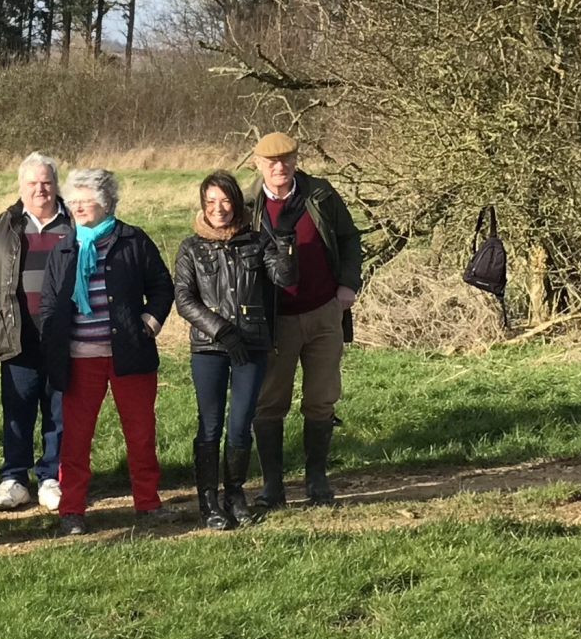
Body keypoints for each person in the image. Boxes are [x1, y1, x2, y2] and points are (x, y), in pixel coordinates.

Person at [39, 169, 176, 536]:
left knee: (141, 434)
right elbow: (49, 303)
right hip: (78, 360)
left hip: (130, 355)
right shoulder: (64, 247)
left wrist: (149, 322)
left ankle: (147, 503)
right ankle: (72, 510)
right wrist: (52, 342)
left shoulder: (133, 239)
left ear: (106, 203)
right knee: (75, 439)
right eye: (74, 200)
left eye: (87, 200)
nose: (78, 206)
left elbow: (162, 287)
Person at [174, 171, 297, 529]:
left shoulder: (256, 242)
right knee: (210, 424)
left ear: (237, 203)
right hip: (209, 347)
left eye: (226, 200)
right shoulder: (191, 248)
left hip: (252, 344)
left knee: (241, 423)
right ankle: (208, 500)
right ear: (202, 205)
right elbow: (184, 299)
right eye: (211, 202)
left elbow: (285, 278)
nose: (219, 208)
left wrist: (284, 237)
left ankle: (235, 494)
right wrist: (221, 330)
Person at [247, 132, 362, 509]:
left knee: (321, 398)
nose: (280, 167)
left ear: (297, 160)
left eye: (287, 159)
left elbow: (349, 239)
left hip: (323, 312)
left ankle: (317, 480)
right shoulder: (248, 204)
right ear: (258, 164)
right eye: (271, 161)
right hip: (275, 320)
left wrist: (348, 285)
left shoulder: (320, 194)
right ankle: (272, 486)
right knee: (269, 402)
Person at [0, 152, 71, 513]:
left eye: (46, 182)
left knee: (59, 412)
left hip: (64, 337)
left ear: (56, 184)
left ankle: (51, 478)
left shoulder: (73, 223)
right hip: (16, 336)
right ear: (21, 186)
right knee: (17, 411)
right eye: (32, 183)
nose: (40, 189)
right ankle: (14, 480)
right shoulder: (4, 225)